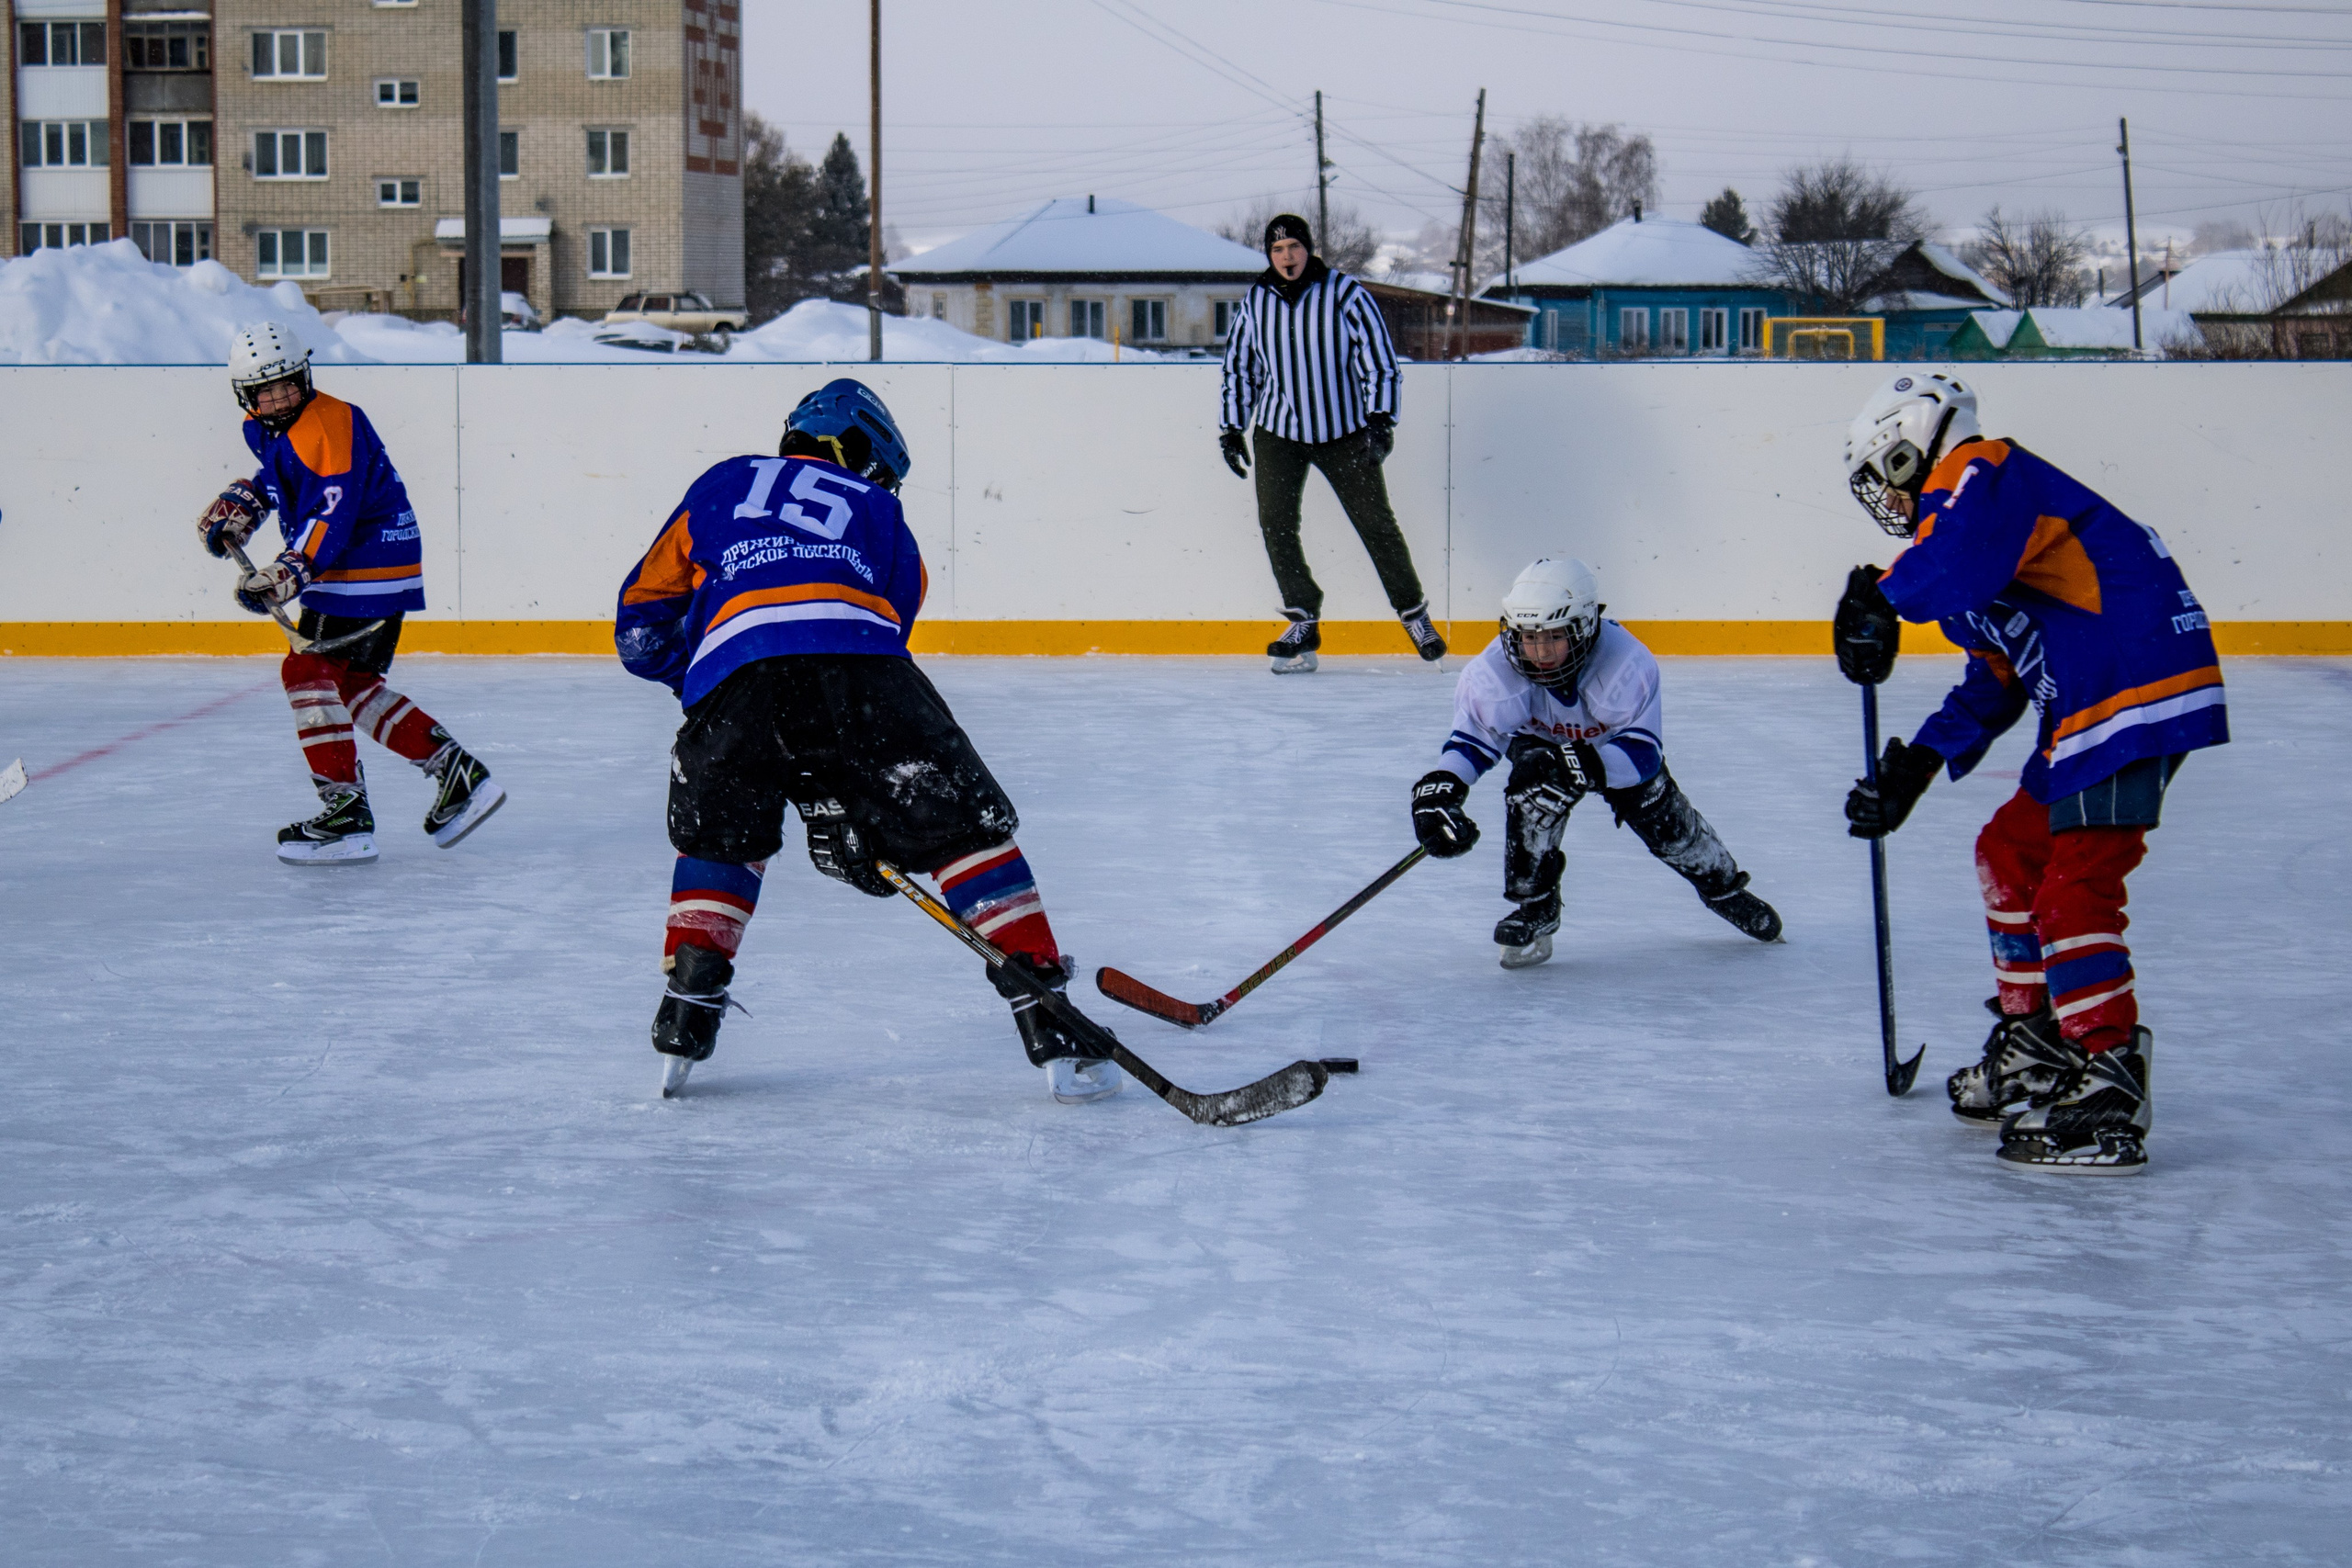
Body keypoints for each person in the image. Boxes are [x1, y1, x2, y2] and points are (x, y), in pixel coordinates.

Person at [615, 378, 1121, 1105]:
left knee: (722, 838)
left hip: (733, 680)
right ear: (852, 448)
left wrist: (710, 688)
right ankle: (1048, 1012)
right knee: (966, 833)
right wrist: (855, 794)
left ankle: (687, 1007)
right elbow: (886, 638)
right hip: (865, 670)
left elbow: (639, 625)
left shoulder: (722, 483)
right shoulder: (881, 511)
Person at [1836, 370, 2228, 1175]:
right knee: (2007, 850)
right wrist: (1915, 765)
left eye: (1884, 473)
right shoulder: (1962, 544)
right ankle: (2038, 1038)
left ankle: (2109, 1073)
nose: (1886, 497)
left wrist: (1883, 595)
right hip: (2086, 702)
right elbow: (1994, 677)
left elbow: (1949, 567)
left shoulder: (1984, 473)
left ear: (1912, 446)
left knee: (2073, 888)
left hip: (2131, 685)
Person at [196, 323, 503, 865]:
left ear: (304, 376)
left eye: (287, 384)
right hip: (369, 565)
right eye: (264, 391)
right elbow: (284, 480)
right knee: (353, 683)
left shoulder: (333, 422)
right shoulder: (267, 428)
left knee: (307, 675)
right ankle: (456, 771)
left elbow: (330, 514)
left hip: (363, 564)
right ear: (246, 396)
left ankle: (345, 814)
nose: (277, 398)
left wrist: (289, 571)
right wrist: (246, 501)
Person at [1408, 558, 1782, 967]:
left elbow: (1642, 755)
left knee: (1665, 821)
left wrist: (1585, 765)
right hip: (1540, 745)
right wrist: (1441, 788)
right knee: (1531, 792)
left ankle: (1722, 886)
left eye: (1553, 636)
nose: (1539, 652)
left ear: (1586, 626)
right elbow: (1473, 740)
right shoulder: (1491, 671)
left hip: (1612, 750)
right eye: (1528, 637)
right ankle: (1536, 906)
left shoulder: (1626, 663)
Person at [1218, 213, 1445, 674]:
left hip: (1344, 433)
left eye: (1294, 248)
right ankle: (1302, 618)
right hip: (1278, 433)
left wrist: (1381, 421)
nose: (1287, 257)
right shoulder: (1255, 302)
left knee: (1376, 525)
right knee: (1276, 524)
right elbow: (1240, 368)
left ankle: (1414, 615)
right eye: (1278, 250)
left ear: (1308, 250)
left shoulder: (1346, 294)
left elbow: (1379, 363)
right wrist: (1231, 428)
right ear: (1270, 255)